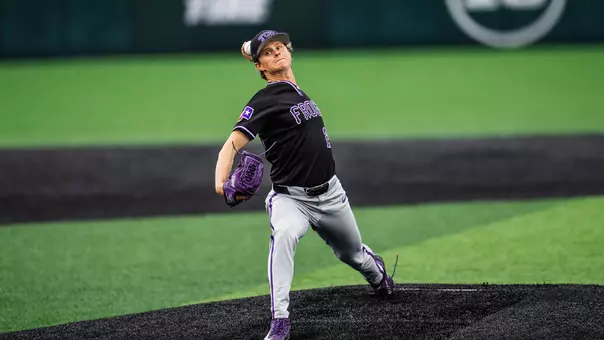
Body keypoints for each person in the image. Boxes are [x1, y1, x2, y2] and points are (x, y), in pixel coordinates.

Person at [214, 30, 396, 340]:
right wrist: (221, 184)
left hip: (331, 194)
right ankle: (280, 319)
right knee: (285, 234)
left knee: (352, 255)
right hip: (291, 199)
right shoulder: (265, 99)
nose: (277, 53)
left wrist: (252, 49)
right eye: (269, 53)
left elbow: (259, 52)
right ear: (260, 67)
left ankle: (377, 275)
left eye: (280, 47)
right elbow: (232, 144)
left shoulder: (293, 88)